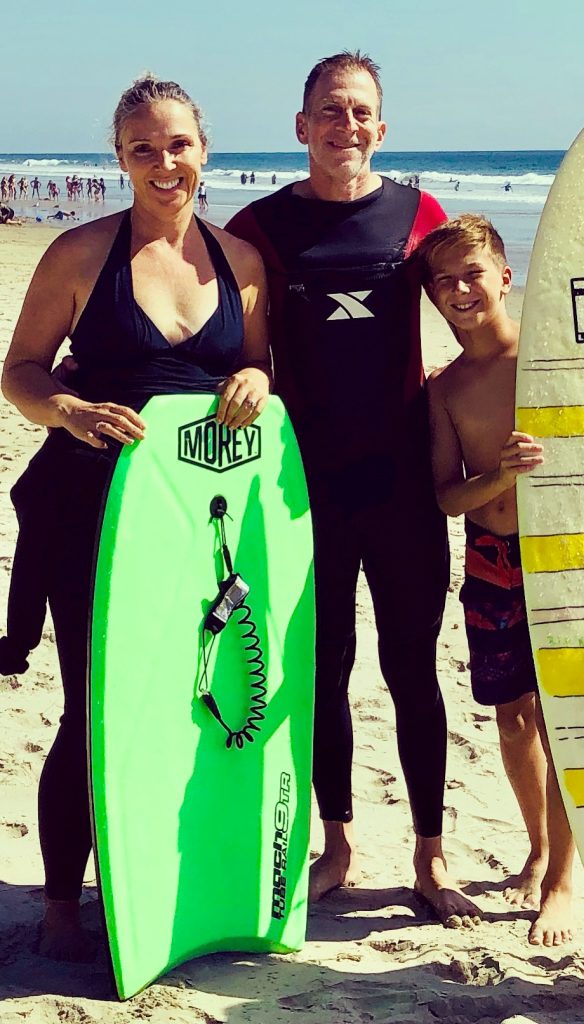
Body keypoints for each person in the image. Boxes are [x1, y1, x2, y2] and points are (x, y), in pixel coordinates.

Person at [0, 73, 271, 962]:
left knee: (186, 700)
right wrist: (70, 412)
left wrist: (256, 381)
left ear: (204, 150)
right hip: (89, 513)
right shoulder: (80, 256)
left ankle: (154, 875)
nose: (165, 163)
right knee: (93, 704)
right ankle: (62, 902)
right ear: (118, 158)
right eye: (143, 148)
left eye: (179, 145)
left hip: (201, 520)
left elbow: (261, 373)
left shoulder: (241, 263)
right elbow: (22, 372)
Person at [226, 50, 481, 928]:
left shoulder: (420, 216)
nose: (347, 124)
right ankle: (337, 844)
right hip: (306, 488)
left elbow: (483, 325)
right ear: (301, 127)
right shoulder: (256, 229)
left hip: (407, 484)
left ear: (383, 128)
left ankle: (430, 857)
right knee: (321, 669)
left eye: (362, 110)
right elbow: (236, 351)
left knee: (414, 670)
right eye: (329, 110)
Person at [419, 214, 575, 947]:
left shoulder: (550, 360)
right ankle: (537, 847)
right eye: (443, 281)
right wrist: (498, 476)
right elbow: (446, 495)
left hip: (561, 557)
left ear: (505, 277)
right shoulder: (446, 389)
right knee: (511, 718)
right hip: (489, 557)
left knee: (559, 717)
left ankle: (562, 882)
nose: (459, 289)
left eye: (472, 273)